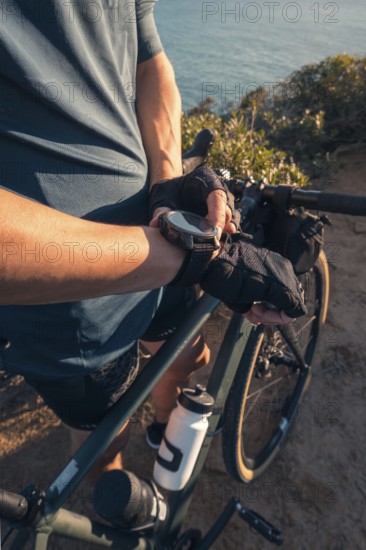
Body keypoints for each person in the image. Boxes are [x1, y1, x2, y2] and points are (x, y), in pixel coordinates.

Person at [0, 0, 304, 480]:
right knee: (104, 440)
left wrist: (167, 189)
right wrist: (184, 260)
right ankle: (118, 519)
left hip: (161, 232)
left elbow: (148, 61)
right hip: (65, 304)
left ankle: (162, 429)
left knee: (185, 356)